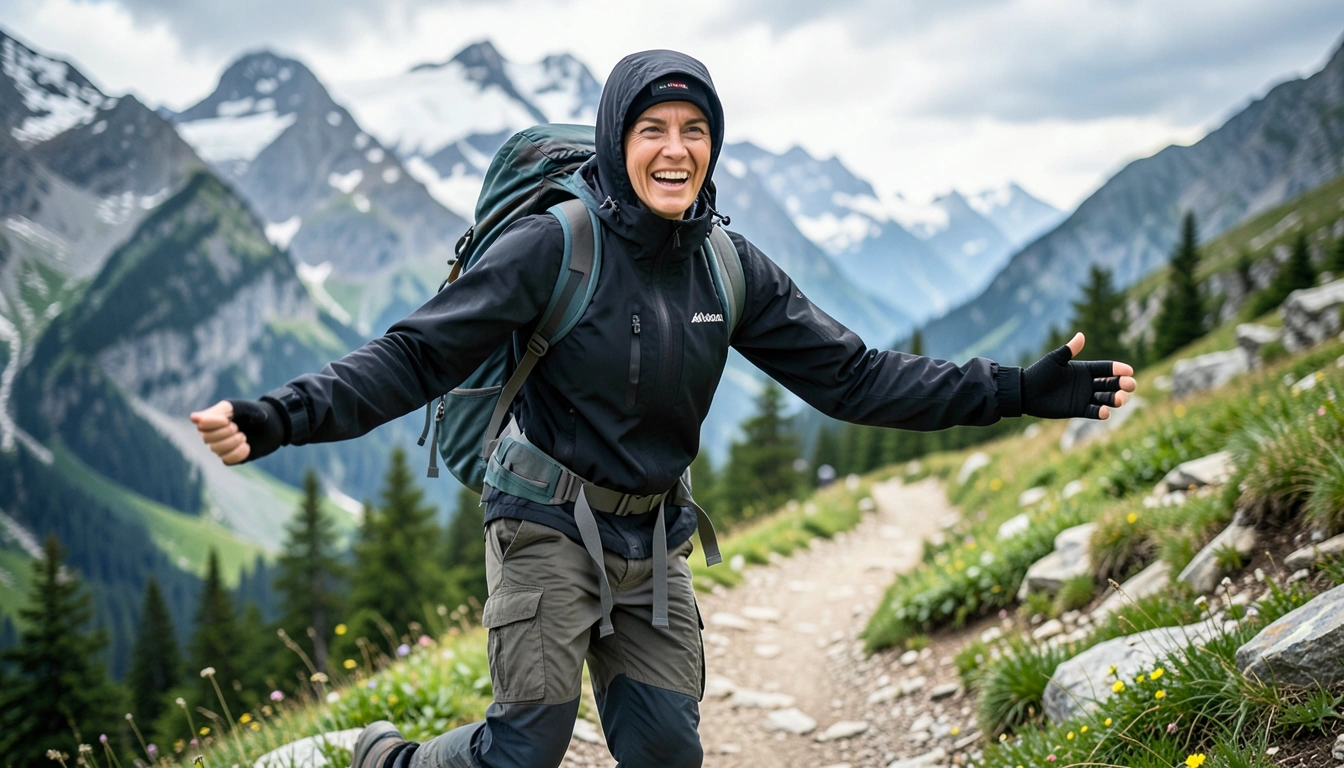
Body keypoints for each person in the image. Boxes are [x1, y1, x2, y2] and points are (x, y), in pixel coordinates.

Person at [191, 49, 1135, 768]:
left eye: (694, 129)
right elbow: (413, 358)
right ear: (618, 140)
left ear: (713, 144)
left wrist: (1019, 390)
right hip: (542, 521)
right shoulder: (550, 247)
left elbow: (858, 377)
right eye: (653, 130)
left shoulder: (729, 265)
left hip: (652, 537)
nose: (676, 150)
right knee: (524, 748)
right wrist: (280, 417)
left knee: (665, 754)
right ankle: (384, 758)